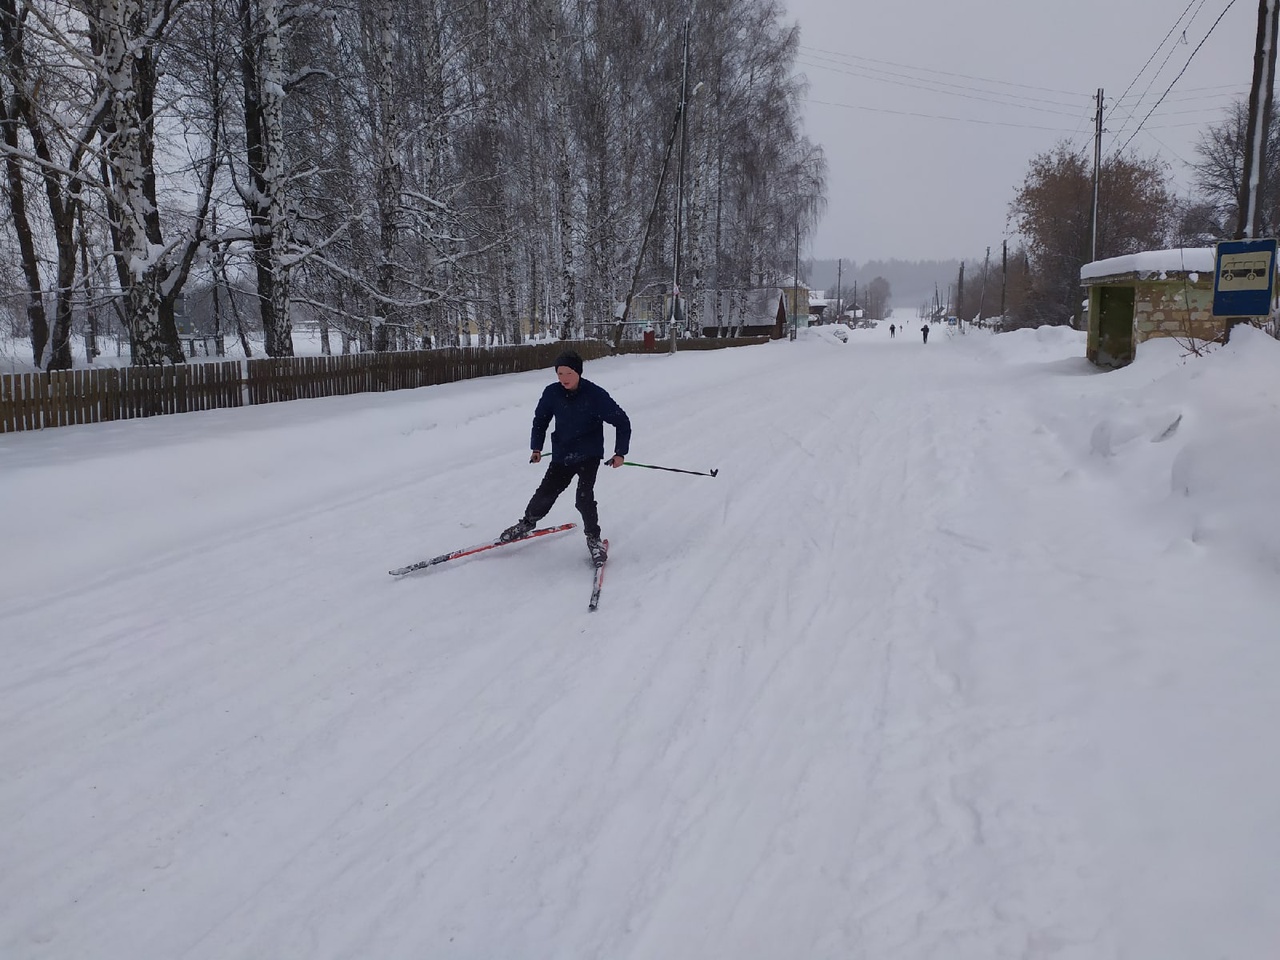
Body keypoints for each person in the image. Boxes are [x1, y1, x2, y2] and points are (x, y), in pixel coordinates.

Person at [499, 350, 631, 566]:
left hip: (589, 454)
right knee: (545, 493)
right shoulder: (552, 393)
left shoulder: (595, 395)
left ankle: (594, 539)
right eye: (559, 373)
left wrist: (620, 453)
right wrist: (536, 447)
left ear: (578, 372)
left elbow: (622, 421)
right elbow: (540, 420)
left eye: (568, 373)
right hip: (562, 453)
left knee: (583, 498)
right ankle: (527, 523)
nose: (564, 378)